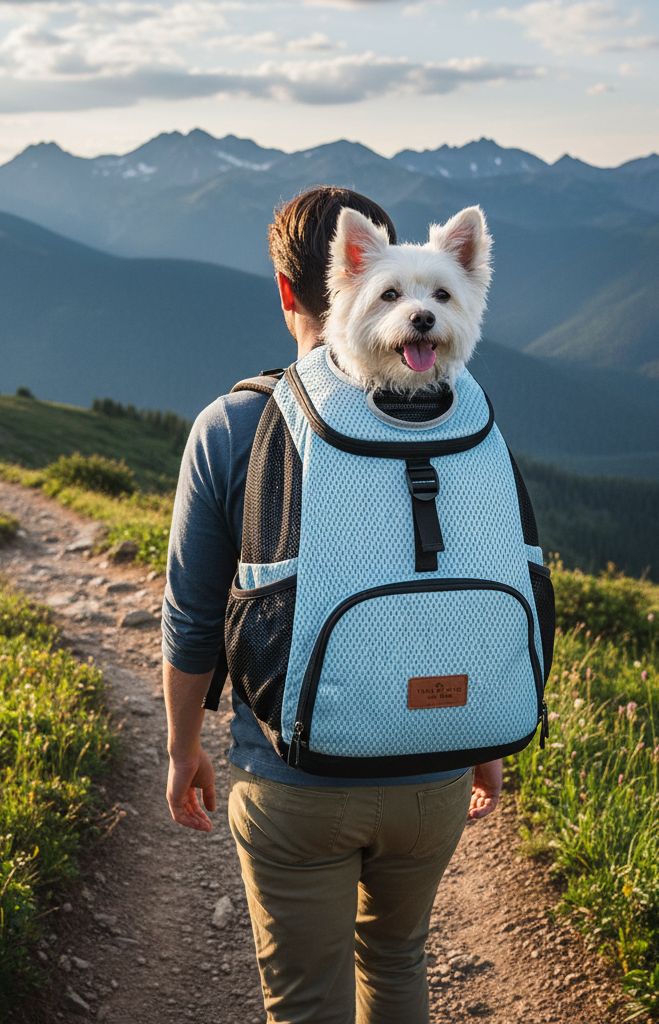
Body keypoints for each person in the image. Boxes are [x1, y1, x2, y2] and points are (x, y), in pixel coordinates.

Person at [161, 185, 503, 1024]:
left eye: (436, 294)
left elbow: (195, 617)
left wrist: (180, 747)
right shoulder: (467, 422)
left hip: (294, 777)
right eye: (395, 289)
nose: (418, 312)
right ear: (354, 269)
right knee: (397, 963)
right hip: (435, 771)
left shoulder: (233, 424)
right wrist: (483, 734)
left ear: (286, 291)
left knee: (307, 1001)